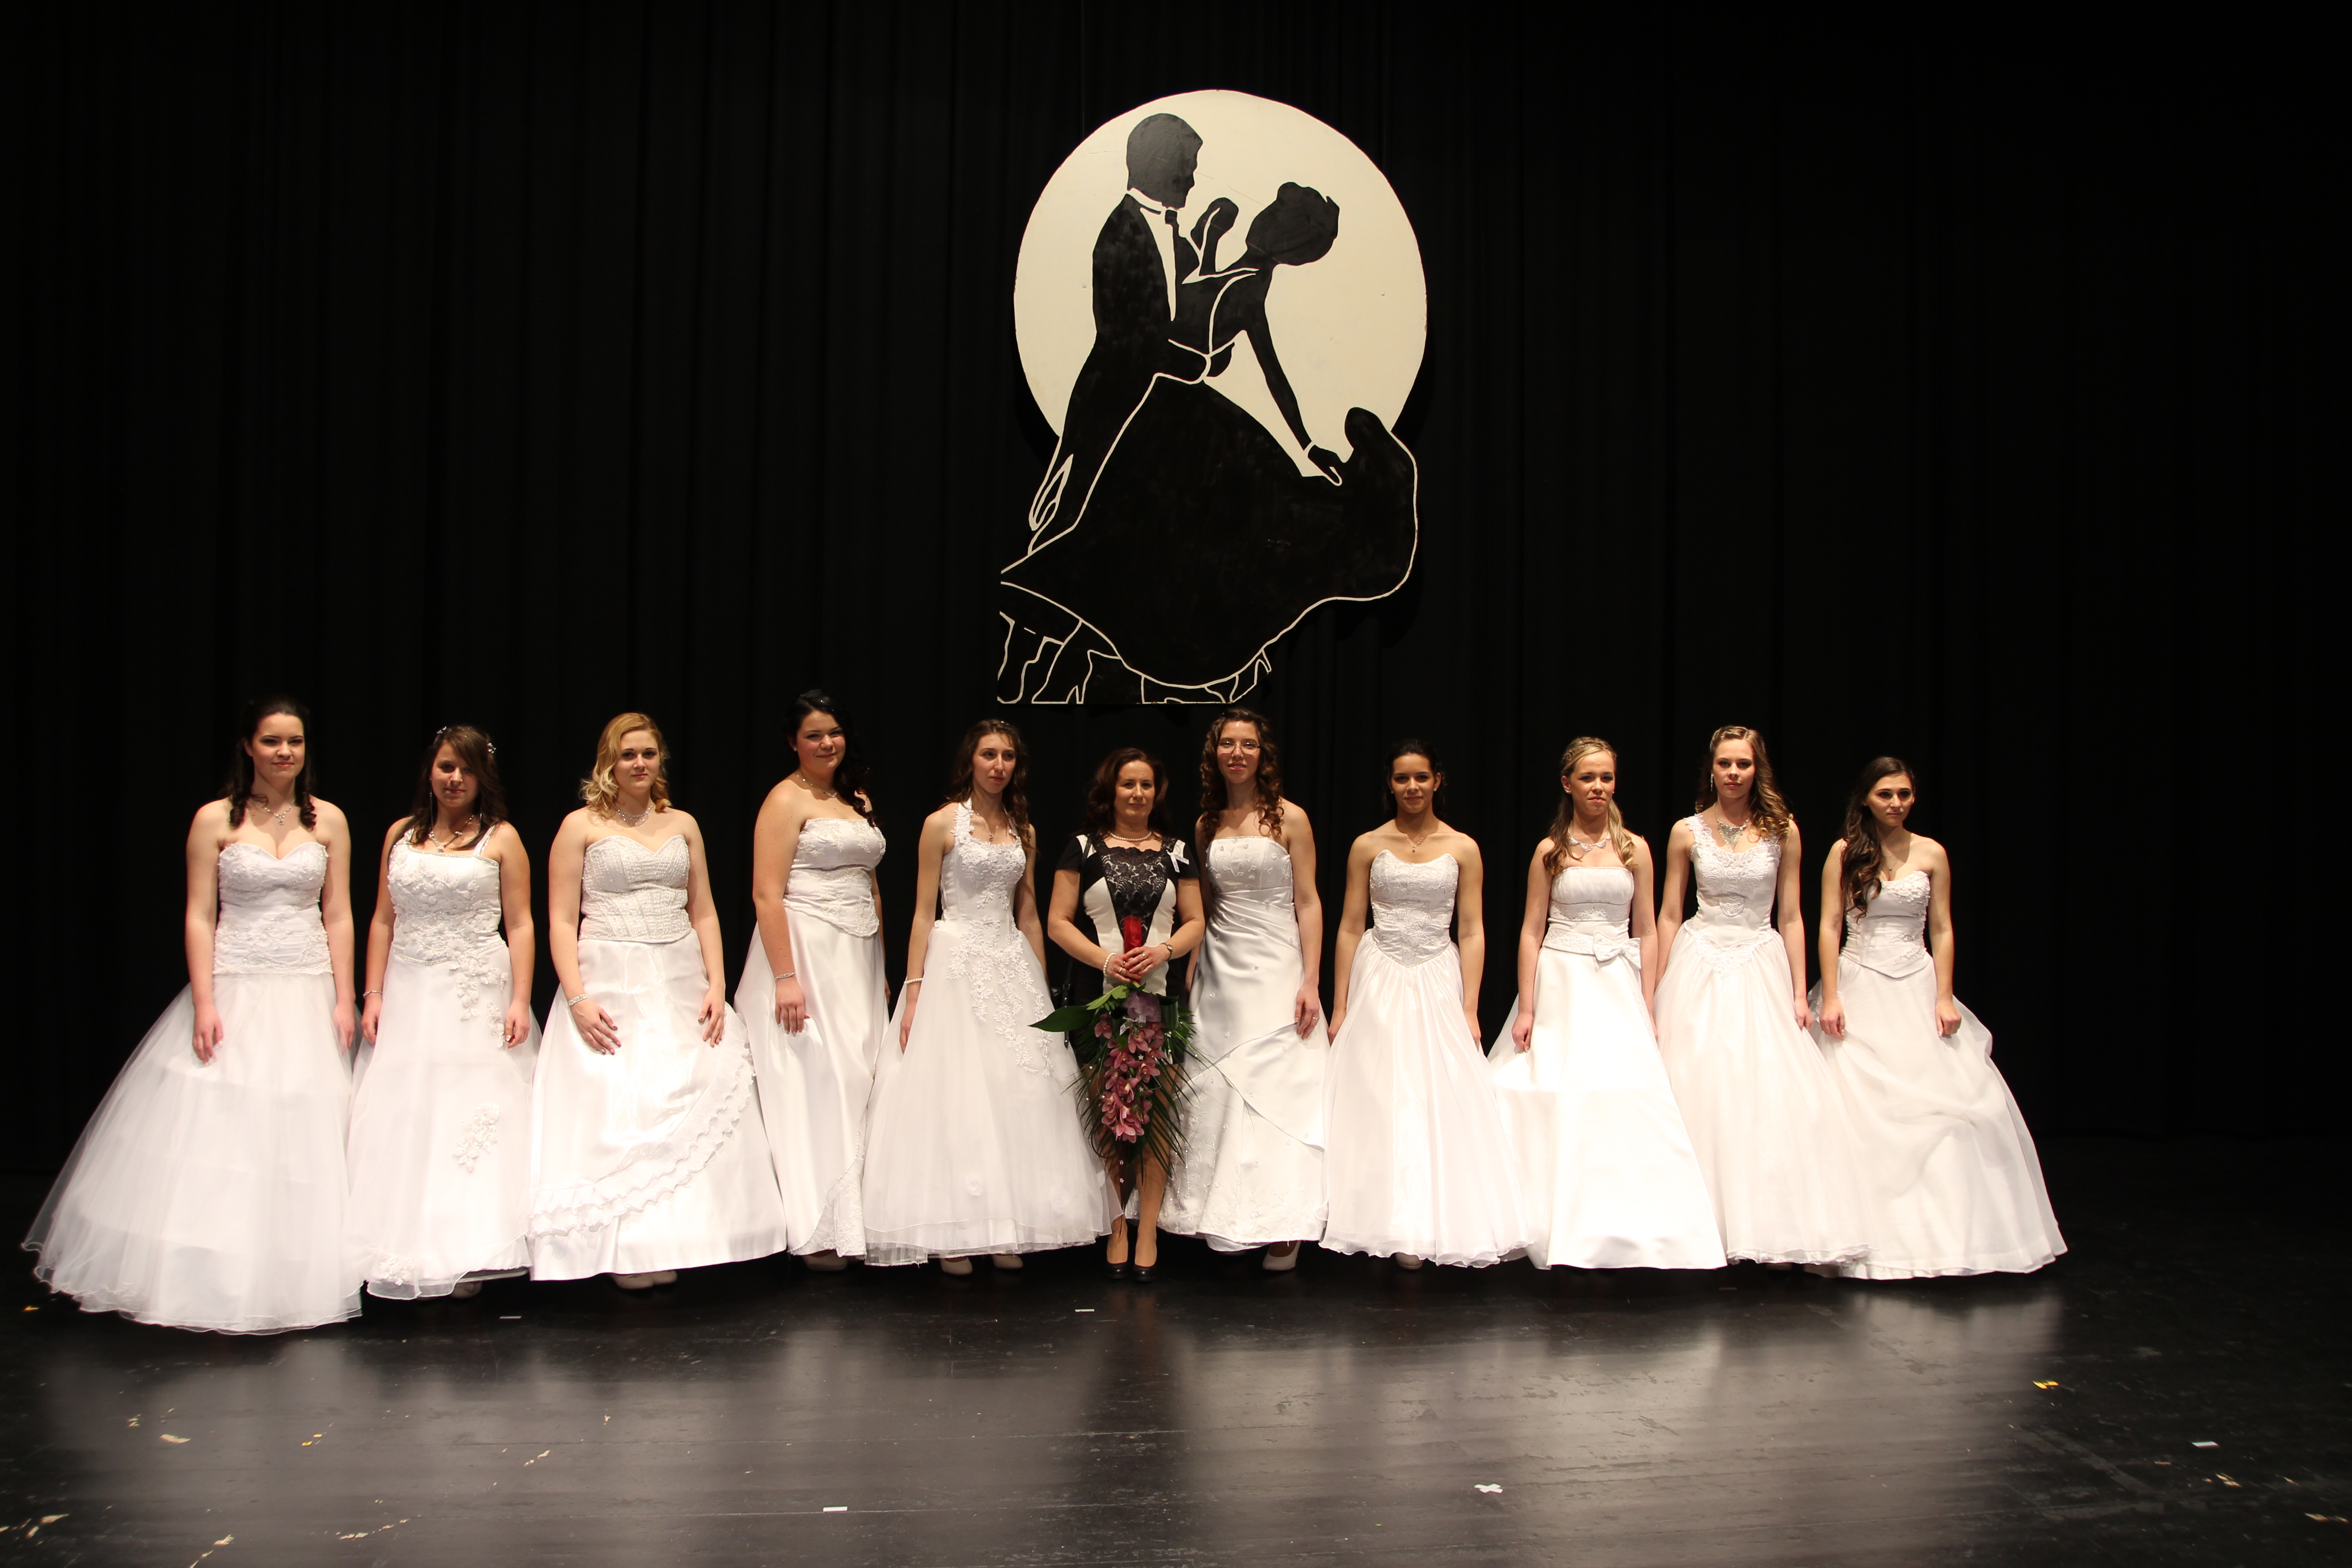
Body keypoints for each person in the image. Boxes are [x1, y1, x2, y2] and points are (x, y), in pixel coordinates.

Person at [1000, 181, 1417, 702]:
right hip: (1155, 410)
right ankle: (1032, 662)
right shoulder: (1235, 276)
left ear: (1286, 240)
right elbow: (1191, 310)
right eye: (1273, 210)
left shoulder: (1249, 292)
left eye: (1277, 215)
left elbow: (1271, 377)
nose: (1264, 218)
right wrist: (1210, 239)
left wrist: (1309, 446)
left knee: (1123, 548)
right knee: (1105, 542)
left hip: (1175, 420)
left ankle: (1042, 663)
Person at [25, 696, 361, 1332]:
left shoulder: (330, 820)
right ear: (249, 746)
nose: (284, 752)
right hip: (235, 984)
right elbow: (199, 914)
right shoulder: (214, 819)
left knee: (304, 1125)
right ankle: (215, 1273)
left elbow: (339, 912)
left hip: (308, 985)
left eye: (294, 741)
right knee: (227, 1127)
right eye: (271, 741)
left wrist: (346, 996)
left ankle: (295, 1273)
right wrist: (205, 1000)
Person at [529, 713, 788, 1288]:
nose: (640, 764)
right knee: (623, 1102)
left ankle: (682, 1239)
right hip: (609, 975)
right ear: (609, 762)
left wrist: (716, 983)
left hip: (678, 973)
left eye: (648, 753)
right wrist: (576, 997)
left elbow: (705, 910)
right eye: (628, 755)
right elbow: (561, 919)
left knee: (690, 1088)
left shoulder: (684, 824)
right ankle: (625, 1249)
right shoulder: (580, 826)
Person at [861, 721, 1113, 1272]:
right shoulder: (941, 824)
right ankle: (955, 1232)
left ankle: (1007, 1228)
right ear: (970, 761)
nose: (998, 765)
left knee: (1017, 1091)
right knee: (958, 1094)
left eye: (1008, 757)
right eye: (989, 755)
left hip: (1010, 960)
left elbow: (1029, 912)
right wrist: (915, 989)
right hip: (956, 961)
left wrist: (1042, 987)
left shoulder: (1024, 829)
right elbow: (922, 913)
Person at [1811, 759, 2065, 1279]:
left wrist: (1944, 997)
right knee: (1857, 1110)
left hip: (1916, 983)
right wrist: (1831, 995)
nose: (1896, 803)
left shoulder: (1931, 852)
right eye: (1886, 794)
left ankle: (1950, 1240)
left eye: (1904, 794)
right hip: (1860, 983)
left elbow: (1943, 928)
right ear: (1866, 799)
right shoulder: (1844, 852)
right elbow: (1830, 924)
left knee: (1946, 1110)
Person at [1489, 740, 1724, 1271]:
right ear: (1567, 784)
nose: (1599, 787)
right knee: (1563, 1091)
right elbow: (1531, 930)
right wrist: (1527, 1007)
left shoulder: (1635, 848)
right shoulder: (1550, 851)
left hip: (1617, 981)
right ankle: (1557, 1222)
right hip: (1563, 980)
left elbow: (1647, 928)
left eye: (1607, 778)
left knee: (1622, 1094)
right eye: (1588, 778)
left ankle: (1623, 1224)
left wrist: (1648, 1000)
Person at [1651, 725, 1867, 1268]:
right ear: (1711, 769)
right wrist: (1655, 986)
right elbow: (1670, 913)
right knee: (1698, 1083)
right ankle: (1695, 1227)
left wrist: (1798, 990)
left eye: (1743, 764)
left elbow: (1792, 915)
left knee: (1764, 1091)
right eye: (1725, 764)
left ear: (1757, 770)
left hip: (1759, 958)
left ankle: (1768, 1226)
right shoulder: (1686, 832)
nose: (1733, 773)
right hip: (1699, 958)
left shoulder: (1782, 830)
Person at [345, 725, 539, 1301]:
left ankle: (468, 1247)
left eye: (468, 770)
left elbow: (521, 923)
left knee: (468, 1113)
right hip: (409, 990)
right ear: (430, 770)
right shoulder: (400, 835)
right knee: (408, 1112)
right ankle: (407, 1246)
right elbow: (382, 919)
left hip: (474, 995)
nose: (456, 779)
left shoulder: (502, 839)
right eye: (447, 767)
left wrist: (520, 998)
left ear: (483, 778)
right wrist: (372, 993)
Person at [1322, 741, 1525, 1269]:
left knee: (1434, 1092)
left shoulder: (1463, 847)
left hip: (1436, 970)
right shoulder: (1368, 845)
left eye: (1421, 777)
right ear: (1389, 784)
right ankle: (1382, 1217)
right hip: (1380, 970)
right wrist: (1340, 1004)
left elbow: (1473, 929)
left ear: (1438, 780)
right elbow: (1350, 926)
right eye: (1401, 778)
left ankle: (1426, 1220)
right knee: (1379, 1091)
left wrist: (1470, 1005)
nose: (1412, 787)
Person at [1158, 708, 1329, 1270]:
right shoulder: (1206, 824)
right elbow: (1205, 906)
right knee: (1218, 1083)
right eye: (1228, 744)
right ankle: (1221, 1211)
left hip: (1277, 963)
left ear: (1263, 754)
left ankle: (1283, 1222)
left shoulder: (1290, 818)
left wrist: (1311, 979)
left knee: (1274, 1083)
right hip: (1221, 968)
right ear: (1215, 754)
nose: (1238, 753)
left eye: (1248, 744)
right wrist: (1194, 963)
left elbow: (1309, 901)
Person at [736, 691, 889, 1271]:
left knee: (862, 1076)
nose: (827, 744)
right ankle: (819, 1226)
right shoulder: (784, 799)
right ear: (793, 743)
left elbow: (871, 883)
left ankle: (860, 1219)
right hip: (804, 951)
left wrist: (881, 965)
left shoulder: (857, 797)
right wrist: (785, 978)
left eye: (834, 733)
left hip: (857, 953)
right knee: (819, 1081)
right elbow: (766, 894)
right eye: (814, 735)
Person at [1045, 748, 1205, 1280]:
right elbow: (1058, 922)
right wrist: (1106, 961)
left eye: (1146, 785)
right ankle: (1117, 1223)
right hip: (1096, 994)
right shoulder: (1082, 848)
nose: (1137, 794)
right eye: (1127, 785)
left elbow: (1196, 920)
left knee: (1157, 1114)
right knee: (1107, 1116)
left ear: (1157, 793)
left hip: (1164, 998)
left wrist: (1164, 951)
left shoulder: (1179, 852)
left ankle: (1149, 1228)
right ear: (1110, 792)